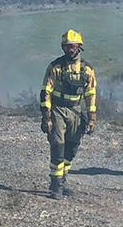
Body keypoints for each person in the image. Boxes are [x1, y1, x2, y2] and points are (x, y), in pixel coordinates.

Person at [40, 30, 97, 198]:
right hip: (58, 110)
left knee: (71, 148)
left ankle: (62, 179)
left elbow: (90, 95)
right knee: (58, 147)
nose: (69, 50)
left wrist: (92, 119)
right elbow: (45, 93)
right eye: (66, 47)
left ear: (79, 46)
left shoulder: (87, 70)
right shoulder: (55, 67)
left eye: (72, 46)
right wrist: (46, 117)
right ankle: (55, 186)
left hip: (76, 111)